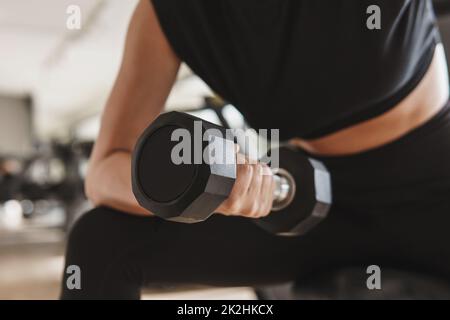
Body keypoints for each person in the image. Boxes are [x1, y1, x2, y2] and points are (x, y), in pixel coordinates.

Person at [61, 0, 450, 299]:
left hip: (435, 193)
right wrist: (199, 192)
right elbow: (103, 172)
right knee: (99, 241)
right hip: (308, 207)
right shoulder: (168, 13)